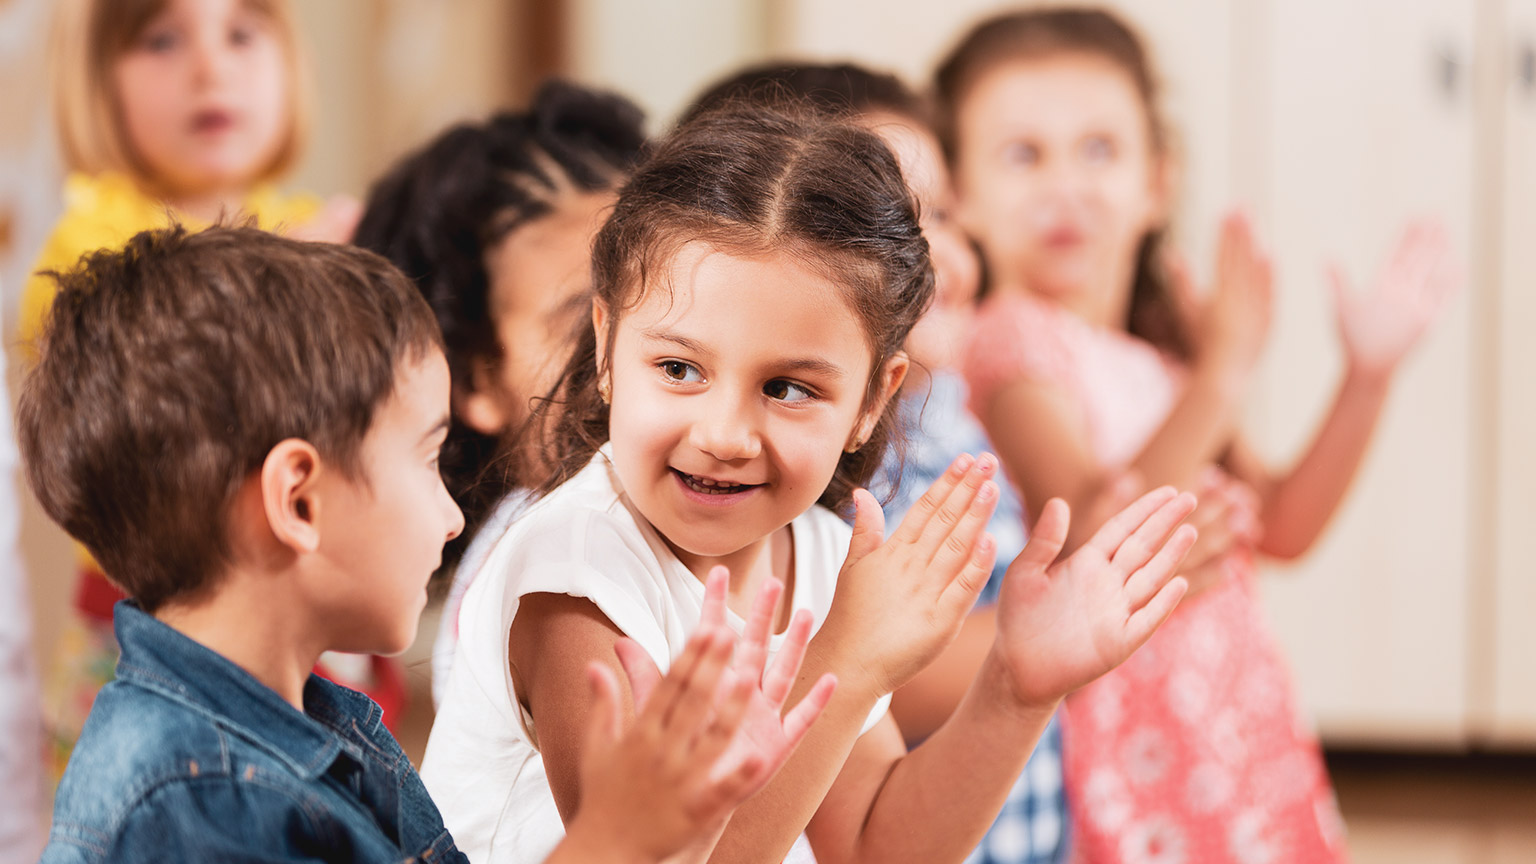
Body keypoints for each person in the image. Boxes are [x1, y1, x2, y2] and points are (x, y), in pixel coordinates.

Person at [423, 102, 1200, 864]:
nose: (724, 435)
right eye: (679, 369)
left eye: (789, 388)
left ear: (871, 400)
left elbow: (873, 846)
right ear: (606, 345)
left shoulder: (824, 553)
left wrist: (1016, 690)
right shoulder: (573, 577)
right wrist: (848, 661)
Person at [17, 224, 831, 863]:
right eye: (426, 458)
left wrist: (682, 819)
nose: (451, 517)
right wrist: (617, 837)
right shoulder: (194, 794)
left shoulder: (318, 725)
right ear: (298, 499)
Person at [937, 8, 1457, 861]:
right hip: (1130, 737)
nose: (1065, 185)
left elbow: (1281, 526)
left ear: (1157, 183)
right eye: (1023, 155)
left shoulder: (1167, 359)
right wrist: (1224, 373)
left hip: (1228, 721)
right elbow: (1101, 535)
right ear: (962, 197)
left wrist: (1365, 377)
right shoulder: (1008, 342)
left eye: (1099, 150)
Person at [683, 61, 1087, 864]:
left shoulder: (952, 412)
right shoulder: (799, 472)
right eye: (898, 220)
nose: (947, 256)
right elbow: (871, 662)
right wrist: (1024, 641)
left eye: (943, 215)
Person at [18, 0, 368, 773]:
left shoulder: (315, 223)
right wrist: (282, 279)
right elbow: (148, 400)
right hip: (146, 633)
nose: (212, 67)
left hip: (297, 620)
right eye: (162, 38)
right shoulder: (89, 244)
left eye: (242, 33)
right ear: (98, 82)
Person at [351, 79, 647, 703]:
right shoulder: (554, 564)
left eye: (657, 297)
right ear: (475, 375)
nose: (643, 344)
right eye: (580, 318)